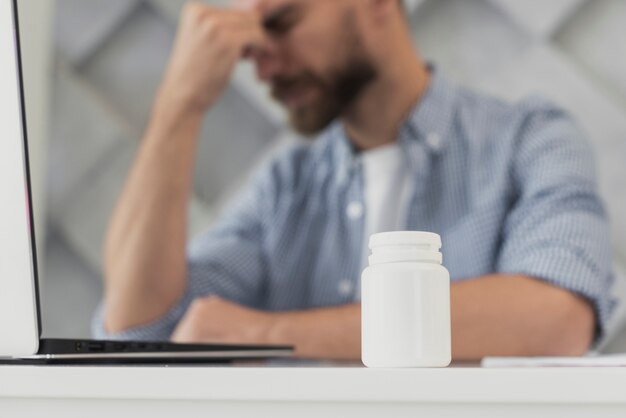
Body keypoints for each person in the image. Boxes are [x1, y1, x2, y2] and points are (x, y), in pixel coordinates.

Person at [93, 0, 614, 361]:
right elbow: (138, 331)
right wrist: (179, 104)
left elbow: (557, 320)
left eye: (280, 22)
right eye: (250, 44)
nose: (261, 64)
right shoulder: (283, 188)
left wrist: (268, 334)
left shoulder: (529, 140)